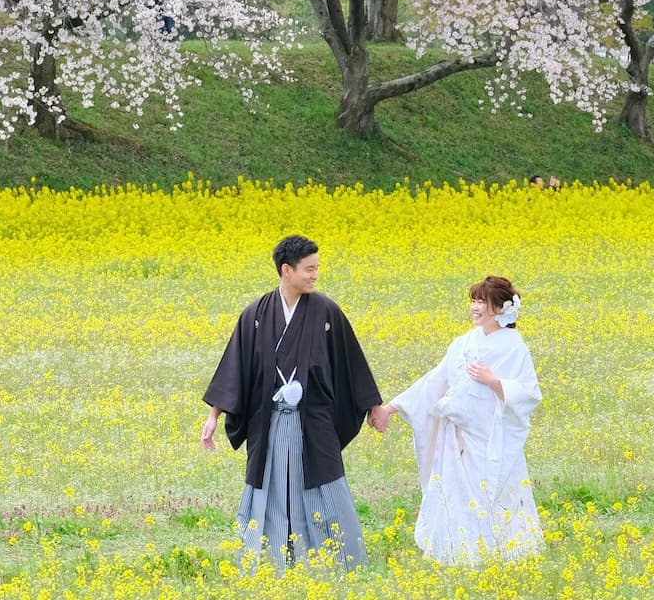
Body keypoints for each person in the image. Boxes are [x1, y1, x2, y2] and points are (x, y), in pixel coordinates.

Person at [202, 235, 388, 572]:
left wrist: (374, 406)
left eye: (317, 268)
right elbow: (235, 368)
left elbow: (351, 362)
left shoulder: (326, 311)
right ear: (286, 270)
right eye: (309, 269)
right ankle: (272, 559)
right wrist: (213, 416)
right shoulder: (255, 314)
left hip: (314, 422)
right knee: (270, 486)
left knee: (324, 483)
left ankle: (337, 558)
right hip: (269, 421)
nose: (316, 275)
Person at [388, 276, 543, 566]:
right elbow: (434, 382)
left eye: (481, 301)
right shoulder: (461, 344)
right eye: (473, 300)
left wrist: (493, 381)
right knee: (456, 494)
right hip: (457, 438)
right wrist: (392, 407)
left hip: (490, 437)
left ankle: (500, 550)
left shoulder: (513, 346)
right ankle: (457, 550)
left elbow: (529, 392)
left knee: (492, 492)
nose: (475, 307)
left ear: (499, 307)